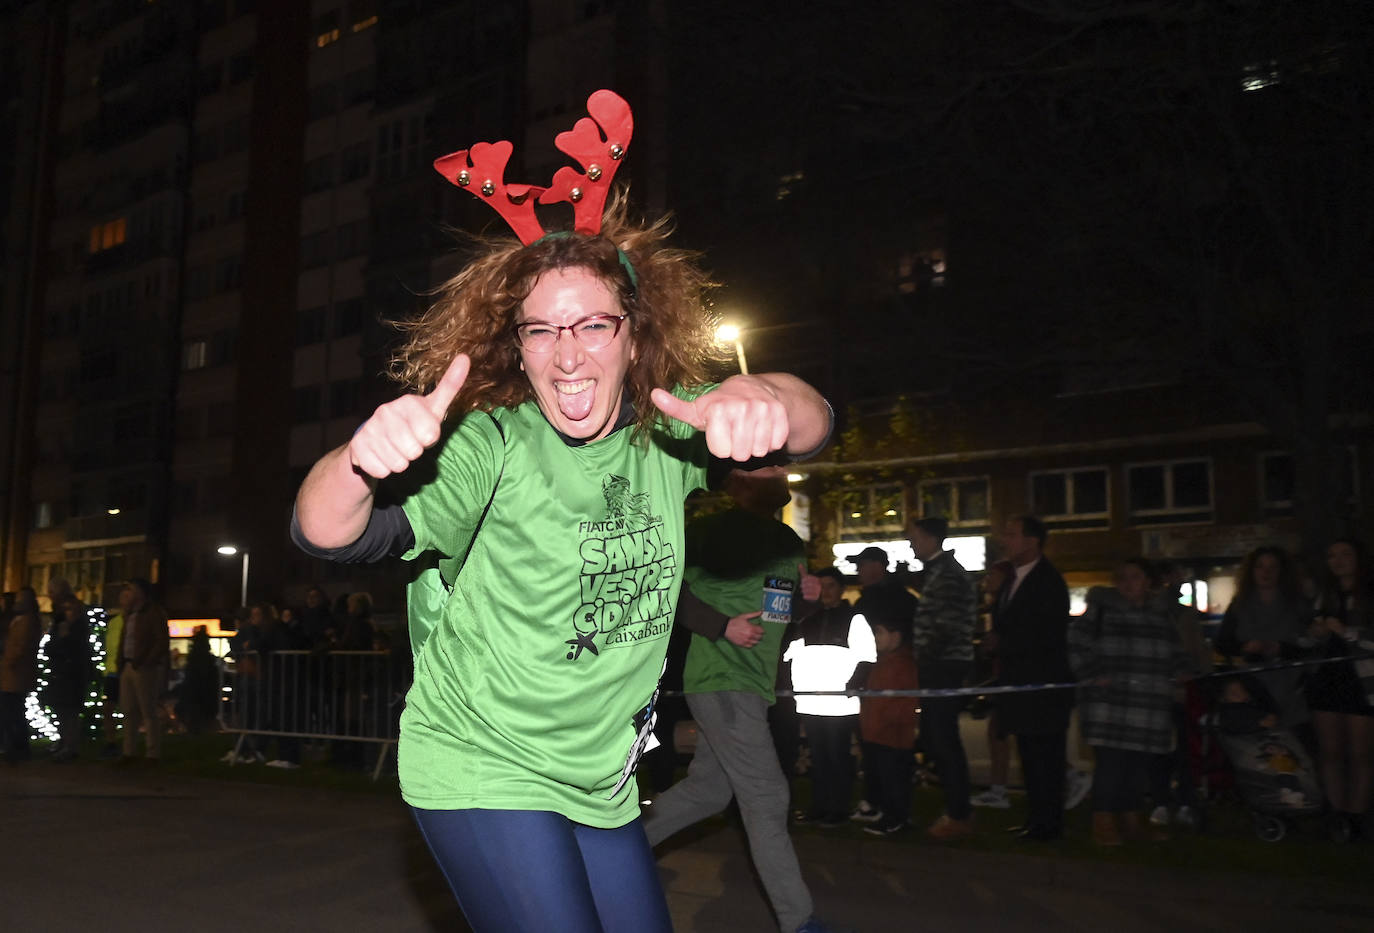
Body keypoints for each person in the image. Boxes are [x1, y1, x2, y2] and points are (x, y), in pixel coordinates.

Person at [291, 89, 831, 933]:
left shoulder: (668, 426)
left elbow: (813, 424)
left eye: (590, 325)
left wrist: (766, 395)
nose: (568, 353)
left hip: (599, 777)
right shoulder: (489, 445)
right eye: (541, 331)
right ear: (517, 346)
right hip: (482, 760)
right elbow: (324, 527)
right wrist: (358, 460)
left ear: (632, 334)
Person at [644, 465, 841, 933]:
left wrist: (808, 599)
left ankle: (613, 849)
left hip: (753, 683)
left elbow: (779, 612)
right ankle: (800, 923)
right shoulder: (707, 531)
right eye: (767, 468)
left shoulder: (786, 541)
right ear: (737, 481)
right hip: (720, 678)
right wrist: (722, 625)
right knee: (768, 795)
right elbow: (668, 587)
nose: (778, 474)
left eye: (780, 468)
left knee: (708, 791)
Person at [1070, 559, 1191, 846]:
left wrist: (1183, 671)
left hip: (1147, 705)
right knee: (1111, 766)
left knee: (1137, 769)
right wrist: (1092, 673)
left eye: (1134, 577)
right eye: (1122, 577)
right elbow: (1074, 643)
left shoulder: (1162, 615)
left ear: (1148, 581)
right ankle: (1103, 823)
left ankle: (1132, 822)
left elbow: (1176, 652)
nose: (1128, 583)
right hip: (1108, 704)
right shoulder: (1100, 611)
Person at [991, 516, 1073, 841]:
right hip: (1019, 686)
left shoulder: (1048, 581)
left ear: (1032, 541)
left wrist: (1004, 643)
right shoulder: (1013, 579)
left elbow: (1047, 633)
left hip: (1042, 686)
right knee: (1029, 756)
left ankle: (1048, 824)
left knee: (1045, 758)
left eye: (1011, 534)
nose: (1005, 540)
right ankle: (1035, 820)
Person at [784, 565, 875, 828]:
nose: (825, 591)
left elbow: (867, 657)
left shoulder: (854, 618)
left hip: (840, 704)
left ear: (842, 589)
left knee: (837, 757)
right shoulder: (805, 620)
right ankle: (819, 806)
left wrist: (850, 686)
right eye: (820, 586)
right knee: (819, 757)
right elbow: (791, 656)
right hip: (810, 702)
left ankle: (839, 807)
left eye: (831, 585)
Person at [907, 515, 978, 839]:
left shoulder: (947, 574)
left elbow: (944, 627)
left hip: (943, 667)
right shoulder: (940, 572)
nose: (911, 543)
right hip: (941, 665)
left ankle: (958, 813)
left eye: (915, 537)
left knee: (944, 739)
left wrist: (925, 660)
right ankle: (957, 808)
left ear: (931, 539)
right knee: (939, 739)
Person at [1303, 538, 1374, 840]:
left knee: (1360, 753)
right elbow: (1307, 641)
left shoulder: (1369, 596)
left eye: (1346, 554)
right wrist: (1315, 633)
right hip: (1327, 679)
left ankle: (1356, 816)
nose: (1339, 561)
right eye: (1333, 555)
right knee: (1330, 752)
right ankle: (1336, 814)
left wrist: (1347, 632)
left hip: (1362, 682)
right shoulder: (1324, 596)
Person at [848, 545, 916, 823]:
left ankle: (888, 807)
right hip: (872, 680)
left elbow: (868, 646)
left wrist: (859, 676)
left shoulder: (887, 601)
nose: (858, 571)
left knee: (884, 749)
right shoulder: (895, 597)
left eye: (862, 565)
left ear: (876, 566)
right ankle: (876, 801)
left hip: (883, 680)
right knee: (873, 747)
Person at [1216, 547, 1309, 729]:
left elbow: (1310, 643)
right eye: (1260, 567)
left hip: (1291, 686)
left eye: (1272, 567)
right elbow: (1223, 643)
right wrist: (1246, 647)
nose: (1266, 572)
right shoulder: (1239, 604)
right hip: (1251, 686)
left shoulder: (1298, 604)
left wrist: (1281, 648)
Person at [858, 617, 920, 835]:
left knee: (895, 780)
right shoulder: (885, 661)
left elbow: (906, 702)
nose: (875, 638)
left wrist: (886, 723)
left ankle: (897, 820)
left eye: (879, 633)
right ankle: (890, 816)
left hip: (891, 736)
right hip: (877, 734)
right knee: (886, 780)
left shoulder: (902, 664)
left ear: (896, 636)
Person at [971, 559, 1015, 809]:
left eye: (992, 575)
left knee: (1006, 730)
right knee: (999, 731)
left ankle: (1072, 775)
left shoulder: (1004, 607)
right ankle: (998, 789)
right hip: (1003, 675)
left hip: (1009, 677)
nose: (987, 580)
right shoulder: (994, 607)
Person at [117, 579, 170, 761]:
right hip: (129, 664)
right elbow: (125, 640)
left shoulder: (153, 613)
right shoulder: (130, 614)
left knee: (148, 711)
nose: (127, 594)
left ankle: (152, 753)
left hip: (143, 666)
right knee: (129, 710)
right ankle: (129, 751)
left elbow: (161, 641)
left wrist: (147, 660)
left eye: (130, 590)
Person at [46, 597, 92, 761]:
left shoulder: (80, 630)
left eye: (70, 609)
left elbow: (77, 651)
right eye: (65, 609)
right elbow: (49, 648)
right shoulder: (59, 627)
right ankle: (64, 742)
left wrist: (64, 639)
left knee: (70, 712)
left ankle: (70, 746)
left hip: (73, 676)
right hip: (60, 674)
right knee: (61, 711)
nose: (67, 613)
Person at [1, 587, 41, 764]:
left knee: (14, 712)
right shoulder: (19, 620)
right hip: (12, 673)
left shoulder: (28, 621)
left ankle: (17, 749)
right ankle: (14, 748)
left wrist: (8, 661)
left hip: (16, 673)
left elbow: (21, 647)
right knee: (12, 712)